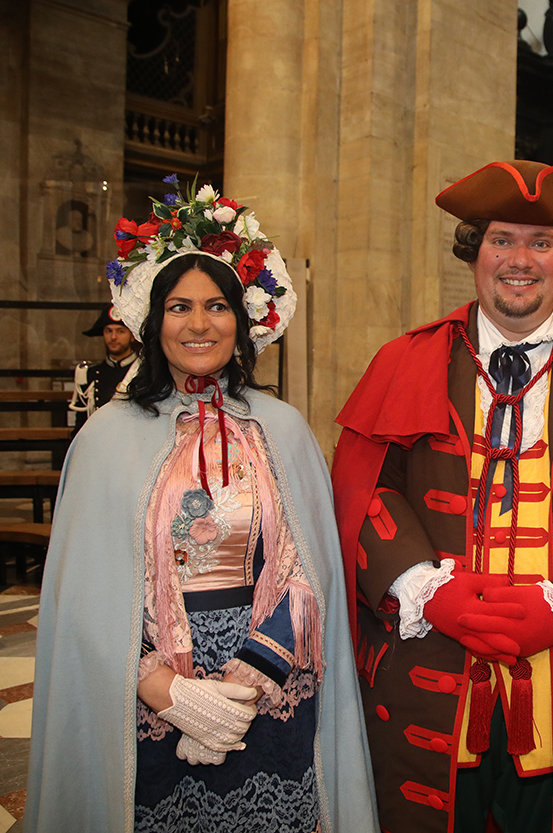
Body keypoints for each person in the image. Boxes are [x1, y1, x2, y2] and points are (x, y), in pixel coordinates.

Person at [332, 159, 553, 833]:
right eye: (502, 239)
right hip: (428, 686)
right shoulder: (403, 360)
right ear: (473, 251)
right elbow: (362, 491)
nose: (520, 259)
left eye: (540, 242)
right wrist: (426, 588)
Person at [26, 180, 378, 833]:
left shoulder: (285, 428)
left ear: (242, 320)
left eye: (216, 305)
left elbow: (309, 574)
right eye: (180, 306)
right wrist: (167, 690)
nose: (198, 323)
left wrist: (247, 681)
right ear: (152, 319)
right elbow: (85, 601)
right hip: (151, 704)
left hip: (271, 694)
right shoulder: (105, 438)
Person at [72, 304, 137, 425]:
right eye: (108, 331)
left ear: (132, 336)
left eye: (120, 331)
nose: (113, 337)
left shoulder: (143, 371)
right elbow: (80, 426)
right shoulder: (90, 374)